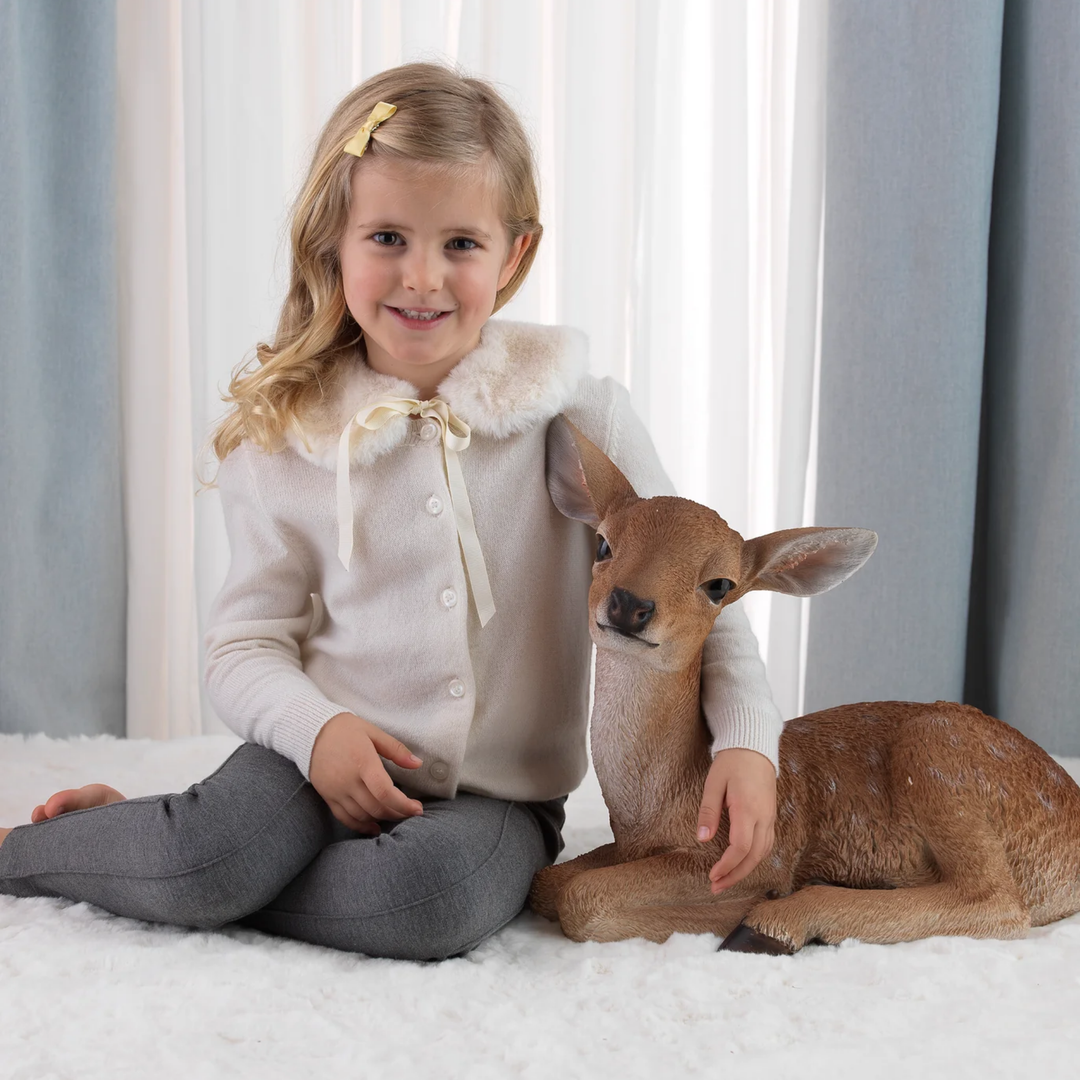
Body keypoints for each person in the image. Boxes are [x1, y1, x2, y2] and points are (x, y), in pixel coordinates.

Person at [0, 61, 783, 960]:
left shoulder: (576, 412)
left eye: (460, 244)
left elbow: (700, 582)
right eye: (386, 237)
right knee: (212, 853)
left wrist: (749, 744)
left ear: (514, 254)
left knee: (428, 902)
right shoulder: (286, 436)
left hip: (496, 799)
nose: (422, 277)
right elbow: (243, 645)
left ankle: (162, 859)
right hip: (309, 766)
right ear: (334, 241)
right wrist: (318, 732)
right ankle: (91, 854)